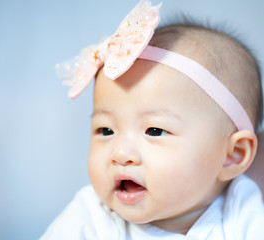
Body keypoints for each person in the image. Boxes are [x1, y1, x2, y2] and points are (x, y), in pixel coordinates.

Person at [41, 1, 264, 239]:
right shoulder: (89, 219)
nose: (120, 153)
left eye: (154, 130)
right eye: (106, 130)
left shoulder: (244, 213)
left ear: (232, 155)